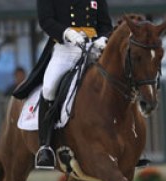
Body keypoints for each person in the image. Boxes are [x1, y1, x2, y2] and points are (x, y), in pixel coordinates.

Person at [34, 0, 113, 169]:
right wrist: (67, 33)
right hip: (66, 48)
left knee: (119, 81)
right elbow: (46, 20)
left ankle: (129, 138)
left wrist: (103, 38)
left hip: (95, 48)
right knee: (49, 87)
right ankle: (45, 147)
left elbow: (106, 24)